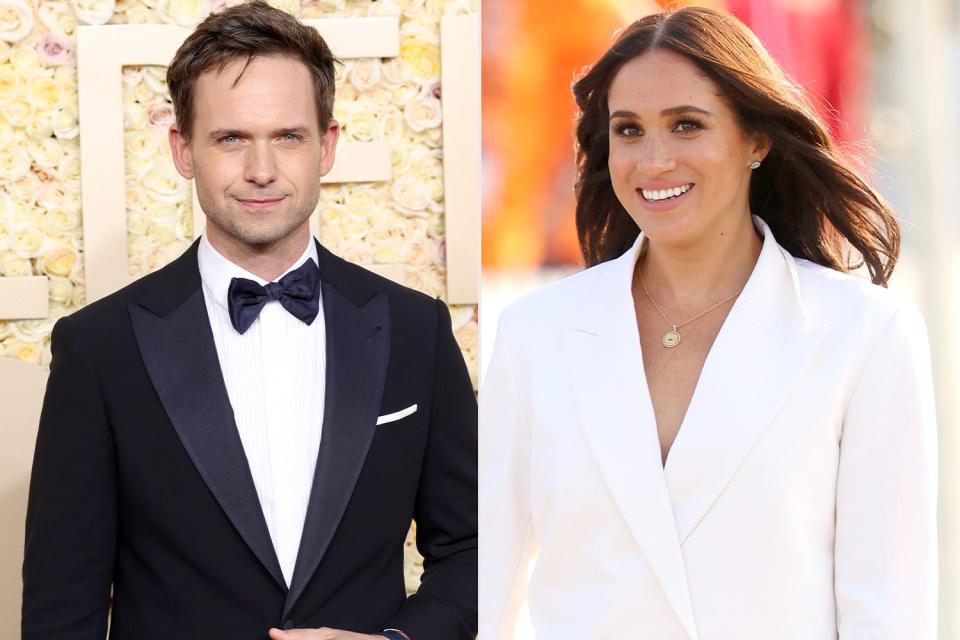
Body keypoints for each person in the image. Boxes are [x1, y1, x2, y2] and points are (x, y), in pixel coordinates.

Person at [22, 2, 477, 639]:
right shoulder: (99, 349)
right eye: (231, 138)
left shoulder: (415, 331)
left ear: (329, 145)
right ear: (183, 150)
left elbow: (472, 550)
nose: (261, 170)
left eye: (288, 136)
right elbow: (61, 605)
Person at [479, 6, 936, 639]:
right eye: (629, 130)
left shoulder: (866, 334)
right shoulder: (534, 333)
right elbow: (485, 587)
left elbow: (889, 610)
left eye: (687, 125)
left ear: (757, 139)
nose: (654, 159)